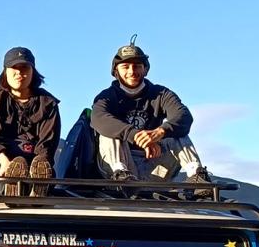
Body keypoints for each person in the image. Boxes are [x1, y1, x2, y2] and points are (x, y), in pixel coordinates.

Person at [90, 36, 212, 193]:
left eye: (137, 66)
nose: (131, 71)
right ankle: (120, 175)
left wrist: (160, 132)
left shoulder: (161, 94)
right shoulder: (106, 96)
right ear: (115, 71)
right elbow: (98, 119)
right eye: (125, 66)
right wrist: (136, 135)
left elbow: (184, 116)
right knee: (108, 132)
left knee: (177, 131)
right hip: (122, 166)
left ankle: (197, 178)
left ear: (145, 69)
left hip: (155, 165)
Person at [0, 47, 61, 197]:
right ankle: (12, 187)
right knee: (5, 173)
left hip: (37, 162)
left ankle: (38, 185)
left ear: (33, 71)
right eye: (14, 68)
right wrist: (4, 162)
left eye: (24, 67)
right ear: (5, 72)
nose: (19, 73)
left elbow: (48, 142)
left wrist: (41, 162)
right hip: (6, 162)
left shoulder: (48, 103)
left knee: (41, 169)